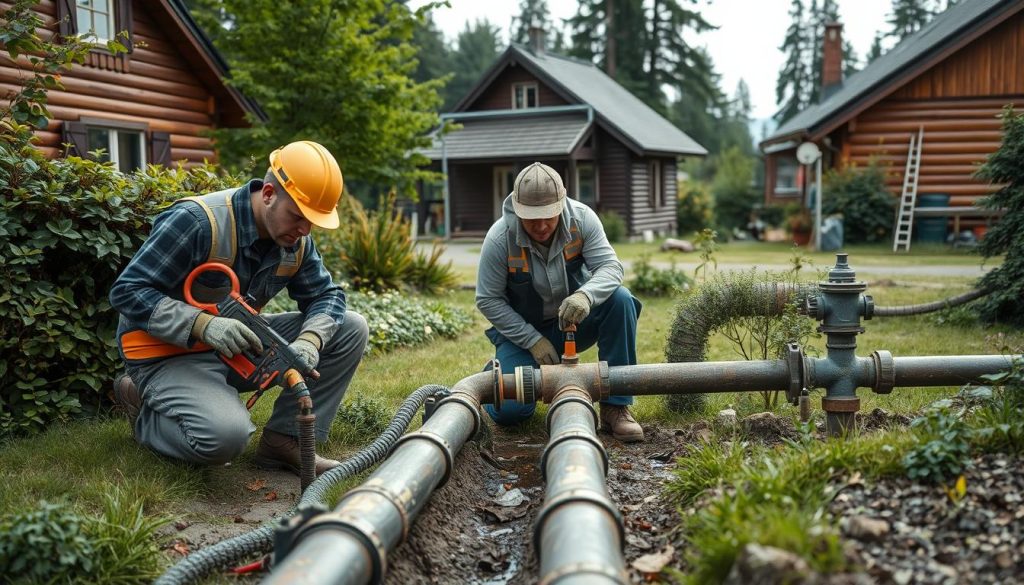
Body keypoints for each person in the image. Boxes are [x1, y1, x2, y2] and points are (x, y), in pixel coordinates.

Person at [109, 140, 369, 476]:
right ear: (269, 194)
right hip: (165, 354)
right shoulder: (196, 222)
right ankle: (141, 406)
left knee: (350, 328)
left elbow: (328, 296)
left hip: (235, 348)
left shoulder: (294, 240)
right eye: (298, 216)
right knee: (225, 438)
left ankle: (284, 440)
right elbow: (128, 291)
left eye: (312, 221)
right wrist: (203, 324)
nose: (305, 229)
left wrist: (311, 341)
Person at [476, 162, 644, 442]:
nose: (541, 226)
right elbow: (488, 299)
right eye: (531, 218)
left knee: (621, 300)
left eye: (548, 216)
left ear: (561, 204)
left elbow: (611, 268)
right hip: (523, 337)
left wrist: (585, 295)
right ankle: (493, 375)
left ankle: (616, 407)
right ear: (518, 209)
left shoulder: (582, 220)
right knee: (512, 413)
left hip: (574, 324)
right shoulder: (499, 238)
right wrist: (532, 340)